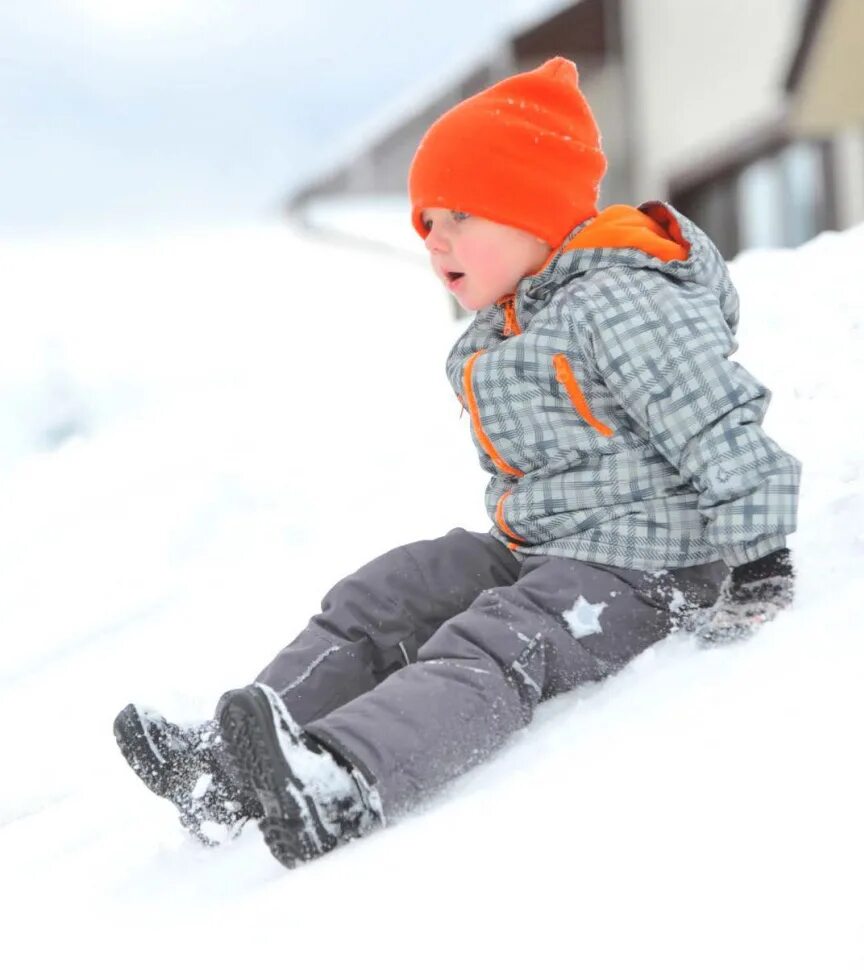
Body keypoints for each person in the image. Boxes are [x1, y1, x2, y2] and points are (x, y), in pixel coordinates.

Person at [113, 57, 801, 868]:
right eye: (425, 221)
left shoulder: (620, 299)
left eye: (458, 216)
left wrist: (760, 558)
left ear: (533, 211)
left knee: (499, 638)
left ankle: (343, 780)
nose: (434, 240)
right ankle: (229, 772)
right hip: (546, 550)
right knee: (392, 589)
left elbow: (712, 417)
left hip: (650, 566)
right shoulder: (509, 328)